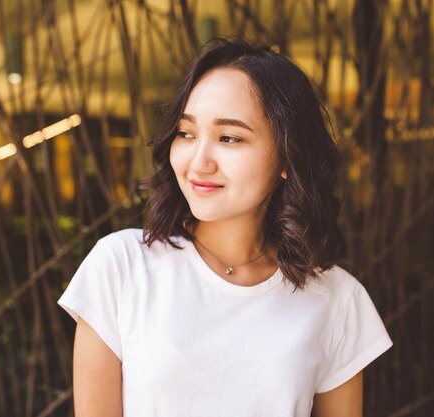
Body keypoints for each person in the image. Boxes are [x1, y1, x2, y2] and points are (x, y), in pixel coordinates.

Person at [58, 38, 393, 417]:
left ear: (287, 156)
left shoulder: (336, 299)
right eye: (186, 133)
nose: (199, 162)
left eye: (229, 138)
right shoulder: (120, 268)